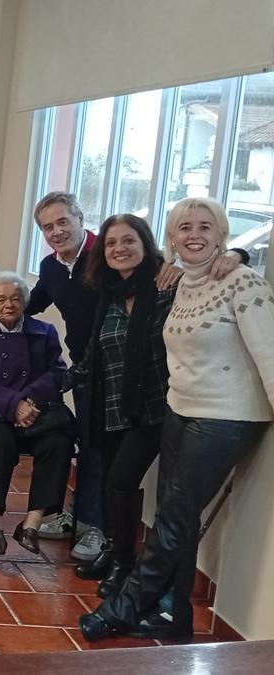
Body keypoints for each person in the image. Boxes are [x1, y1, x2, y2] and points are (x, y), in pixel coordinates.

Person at [81, 198, 274, 644]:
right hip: (180, 409)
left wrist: (237, 257)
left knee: (172, 517)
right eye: (184, 227)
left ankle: (124, 608)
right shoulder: (180, 281)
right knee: (177, 519)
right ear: (171, 238)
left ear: (222, 235)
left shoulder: (242, 283)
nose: (194, 234)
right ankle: (175, 617)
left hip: (225, 416)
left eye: (205, 227)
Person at [25, 191, 244, 560]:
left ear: (81, 218)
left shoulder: (131, 270)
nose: (57, 231)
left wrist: (237, 254)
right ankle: (92, 528)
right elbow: (36, 301)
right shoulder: (60, 270)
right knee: (95, 454)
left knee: (118, 474)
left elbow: (198, 268)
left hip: (149, 392)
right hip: (93, 375)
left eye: (64, 221)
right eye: (48, 227)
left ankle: (98, 532)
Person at [64, 215, 170, 599]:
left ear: (145, 244)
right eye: (111, 243)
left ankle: (126, 563)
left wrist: (237, 253)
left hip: (151, 407)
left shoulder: (165, 287)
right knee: (109, 477)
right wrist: (62, 380)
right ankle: (113, 549)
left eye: (128, 240)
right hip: (108, 405)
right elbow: (95, 351)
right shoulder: (108, 293)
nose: (119, 249)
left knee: (120, 480)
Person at [0, 271, 73, 556]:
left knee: (59, 444)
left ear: (25, 302)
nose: (8, 305)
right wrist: (13, 406)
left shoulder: (44, 331)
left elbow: (57, 372)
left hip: (36, 414)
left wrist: (28, 402)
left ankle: (32, 522)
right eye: (0, 299)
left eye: (15, 298)